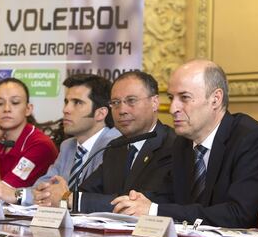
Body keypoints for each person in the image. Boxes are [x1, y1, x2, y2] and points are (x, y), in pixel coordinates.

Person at [111, 59, 258, 228]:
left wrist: (154, 209)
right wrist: (140, 202)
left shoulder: (250, 138)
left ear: (215, 99)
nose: (172, 109)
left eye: (184, 98)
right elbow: (171, 198)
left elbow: (238, 215)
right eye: (171, 98)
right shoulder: (182, 143)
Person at [33, 70, 176, 211]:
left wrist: (69, 198)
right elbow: (87, 191)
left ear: (155, 102)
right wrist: (57, 194)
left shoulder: (172, 145)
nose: (122, 110)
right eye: (116, 102)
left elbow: (140, 201)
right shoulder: (115, 147)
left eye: (131, 101)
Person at [0, 77, 58, 202]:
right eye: (0, 103)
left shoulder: (40, 145)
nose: (6, 109)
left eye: (15, 102)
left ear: (28, 109)